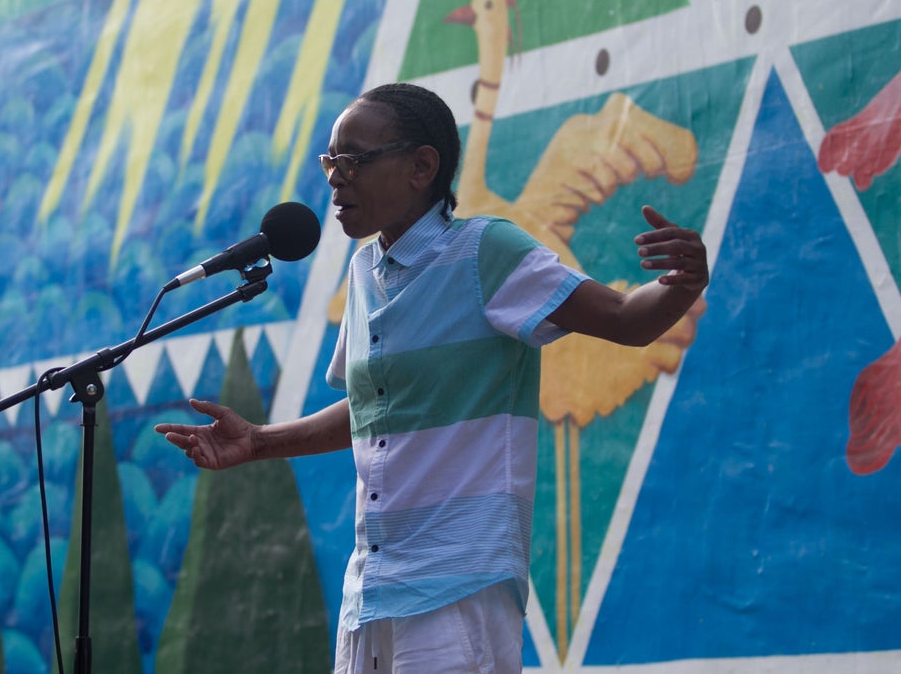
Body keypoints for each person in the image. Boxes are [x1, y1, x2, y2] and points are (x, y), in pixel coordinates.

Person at [155, 82, 708, 673]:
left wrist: (685, 280)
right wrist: (260, 441)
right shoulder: (365, 269)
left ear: (422, 167)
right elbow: (376, 410)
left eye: (354, 161)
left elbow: (626, 320)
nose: (336, 178)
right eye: (330, 162)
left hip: (459, 591)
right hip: (370, 593)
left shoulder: (484, 252)